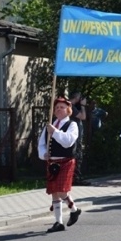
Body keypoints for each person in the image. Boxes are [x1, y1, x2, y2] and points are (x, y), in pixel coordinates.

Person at [37, 96, 82, 233]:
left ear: (68, 110)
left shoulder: (72, 125)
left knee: (62, 190)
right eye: (56, 107)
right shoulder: (50, 126)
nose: (58, 109)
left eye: (62, 107)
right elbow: (41, 144)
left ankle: (74, 209)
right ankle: (58, 222)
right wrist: (43, 154)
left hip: (66, 161)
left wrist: (55, 132)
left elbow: (68, 141)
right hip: (52, 162)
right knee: (54, 193)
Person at [69, 91, 90, 185]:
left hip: (75, 135)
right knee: (77, 155)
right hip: (75, 136)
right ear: (76, 97)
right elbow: (83, 116)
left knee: (77, 155)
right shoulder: (70, 106)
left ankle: (76, 177)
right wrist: (83, 106)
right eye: (79, 97)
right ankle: (76, 178)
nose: (80, 99)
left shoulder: (70, 105)